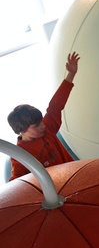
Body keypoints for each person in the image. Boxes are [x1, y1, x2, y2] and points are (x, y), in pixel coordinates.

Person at [8, 52, 79, 180]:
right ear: (22, 129)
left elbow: (56, 105)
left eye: (41, 122)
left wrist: (71, 74)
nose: (43, 126)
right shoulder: (20, 156)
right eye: (37, 125)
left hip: (75, 176)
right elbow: (17, 183)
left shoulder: (47, 129)